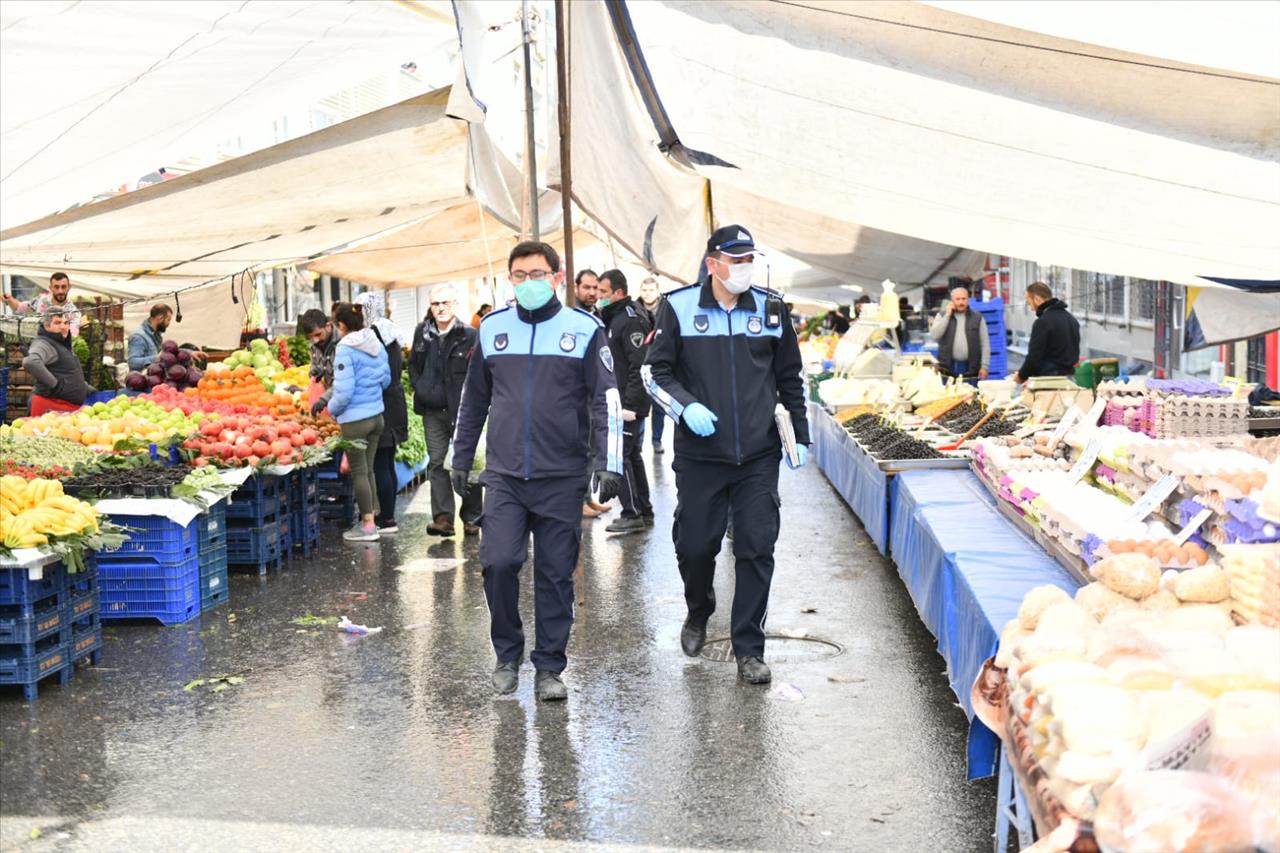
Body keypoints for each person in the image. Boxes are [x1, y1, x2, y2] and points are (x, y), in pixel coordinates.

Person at [450, 241, 623, 702]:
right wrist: (460, 458)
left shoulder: (583, 330)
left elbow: (605, 401)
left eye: (537, 274)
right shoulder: (491, 329)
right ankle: (508, 654)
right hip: (504, 475)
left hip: (561, 475)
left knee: (554, 574)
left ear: (557, 277)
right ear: (510, 280)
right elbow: (474, 402)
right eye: (520, 275)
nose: (529, 282)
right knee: (498, 563)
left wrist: (608, 463)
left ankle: (549, 667)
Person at [644, 224, 810, 686]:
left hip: (758, 454)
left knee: (757, 547)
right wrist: (686, 407)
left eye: (748, 260)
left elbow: (791, 377)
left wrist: (799, 433)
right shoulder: (678, 308)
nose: (744, 268)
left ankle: (749, 649)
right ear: (713, 263)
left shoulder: (772, 309)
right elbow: (654, 374)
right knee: (696, 545)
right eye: (735, 261)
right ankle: (699, 608)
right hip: (701, 455)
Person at [409, 283, 481, 537]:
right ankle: (442, 518)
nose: (440, 308)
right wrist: (422, 387)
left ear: (455, 304)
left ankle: (472, 517)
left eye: (445, 303)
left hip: (462, 412)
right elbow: (413, 366)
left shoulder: (469, 335)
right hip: (432, 411)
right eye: (435, 304)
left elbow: (477, 373)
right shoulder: (422, 333)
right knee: (437, 463)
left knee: (467, 462)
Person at [327, 303, 391, 542]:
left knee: (359, 473)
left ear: (341, 325)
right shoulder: (375, 342)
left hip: (355, 419)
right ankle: (372, 517)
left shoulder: (345, 348)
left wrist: (332, 410)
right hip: (377, 416)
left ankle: (367, 525)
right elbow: (386, 379)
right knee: (370, 469)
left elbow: (343, 391)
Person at [598, 269, 653, 533]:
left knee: (619, 456)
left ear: (618, 293)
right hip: (622, 401)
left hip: (628, 403)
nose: (599, 297)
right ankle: (643, 508)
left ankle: (631, 514)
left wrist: (630, 405)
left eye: (603, 292)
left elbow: (638, 365)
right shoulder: (615, 317)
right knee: (632, 455)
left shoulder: (629, 320)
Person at [354, 291, 408, 535]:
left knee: (379, 464)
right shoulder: (389, 331)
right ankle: (387, 516)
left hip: (380, 402)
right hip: (394, 402)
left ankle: (385, 519)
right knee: (386, 461)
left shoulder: (371, 335)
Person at [1013, 281, 1081, 382]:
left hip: (1049, 381)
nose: (1031, 308)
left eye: (1029, 303)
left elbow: (1034, 357)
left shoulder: (1043, 322)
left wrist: (1021, 376)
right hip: (1070, 379)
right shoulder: (1071, 319)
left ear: (1037, 299)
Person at [24, 311, 90, 415]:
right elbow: (31, 362)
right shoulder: (43, 343)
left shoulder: (61, 343)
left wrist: (84, 386)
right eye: (57, 323)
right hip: (50, 407)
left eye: (66, 323)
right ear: (46, 326)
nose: (63, 327)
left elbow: (64, 371)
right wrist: (56, 385)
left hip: (62, 408)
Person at [929, 284, 990, 381]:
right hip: (947, 368)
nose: (961, 302)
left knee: (970, 395)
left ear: (968, 300)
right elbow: (935, 336)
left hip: (971, 368)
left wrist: (984, 366)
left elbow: (985, 343)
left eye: (964, 299)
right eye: (958, 299)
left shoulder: (978, 317)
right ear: (952, 300)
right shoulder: (941, 315)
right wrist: (947, 316)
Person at [637, 276, 667, 454]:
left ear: (657, 291)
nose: (648, 294)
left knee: (659, 407)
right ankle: (638, 442)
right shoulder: (634, 309)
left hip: (659, 364)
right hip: (639, 362)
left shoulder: (665, 309)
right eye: (645, 290)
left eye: (651, 290)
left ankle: (656, 440)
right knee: (639, 406)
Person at [3, 272, 81, 337]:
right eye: (56, 287)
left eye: (63, 287)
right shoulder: (41, 300)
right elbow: (19, 307)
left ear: (69, 287)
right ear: (50, 288)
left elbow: (72, 335)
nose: (60, 291)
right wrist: (10, 300)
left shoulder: (74, 313)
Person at [300, 309, 342, 415]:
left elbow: (345, 381)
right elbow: (314, 363)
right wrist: (314, 371)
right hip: (331, 400)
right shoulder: (314, 346)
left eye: (318, 334)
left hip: (347, 402)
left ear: (328, 326)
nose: (315, 340)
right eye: (311, 337)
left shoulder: (344, 344)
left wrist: (324, 399)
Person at [127, 304, 173, 371]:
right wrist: (158, 358)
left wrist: (189, 353)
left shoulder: (155, 334)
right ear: (160, 318)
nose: (168, 324)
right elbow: (133, 363)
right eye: (168, 320)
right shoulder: (139, 336)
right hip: (143, 379)